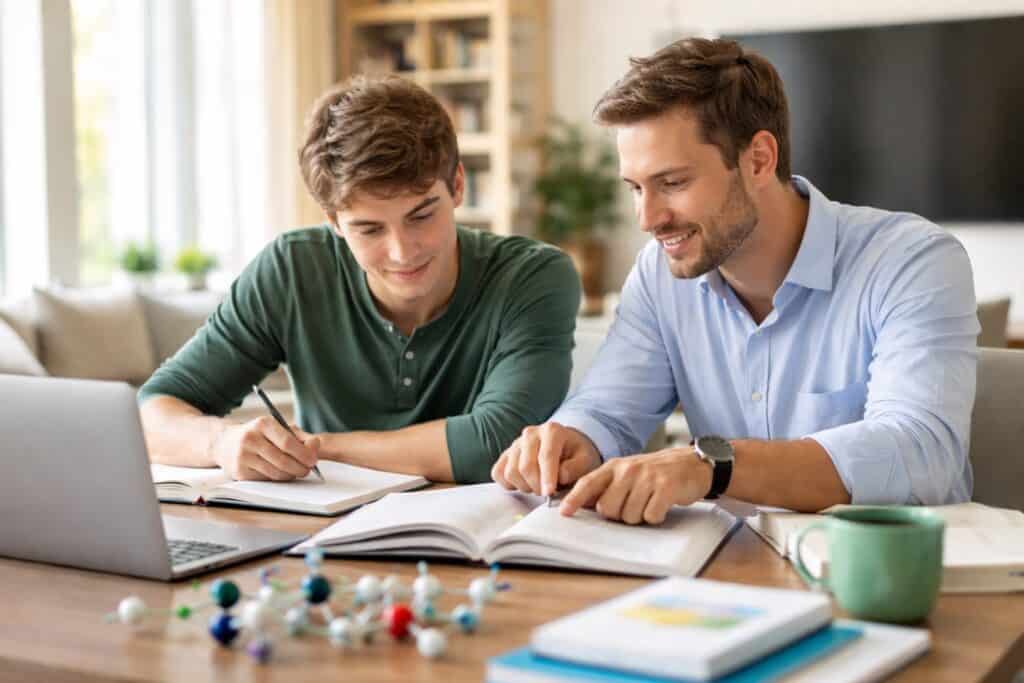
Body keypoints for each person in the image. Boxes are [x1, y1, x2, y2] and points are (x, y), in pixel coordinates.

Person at [492, 38, 979, 522]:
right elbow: (606, 410)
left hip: (890, 581)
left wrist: (712, 467)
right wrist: (570, 438)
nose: (647, 218)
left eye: (673, 183)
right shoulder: (659, 275)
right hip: (731, 572)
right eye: (637, 188)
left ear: (759, 160)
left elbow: (921, 451)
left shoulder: (910, 261)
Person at [139, 75, 580, 485]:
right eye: (369, 229)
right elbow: (153, 412)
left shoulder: (533, 277)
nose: (402, 251)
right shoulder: (292, 269)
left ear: (458, 185)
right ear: (333, 221)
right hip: (315, 535)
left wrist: (316, 448)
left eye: (421, 215)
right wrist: (222, 443)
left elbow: (496, 441)